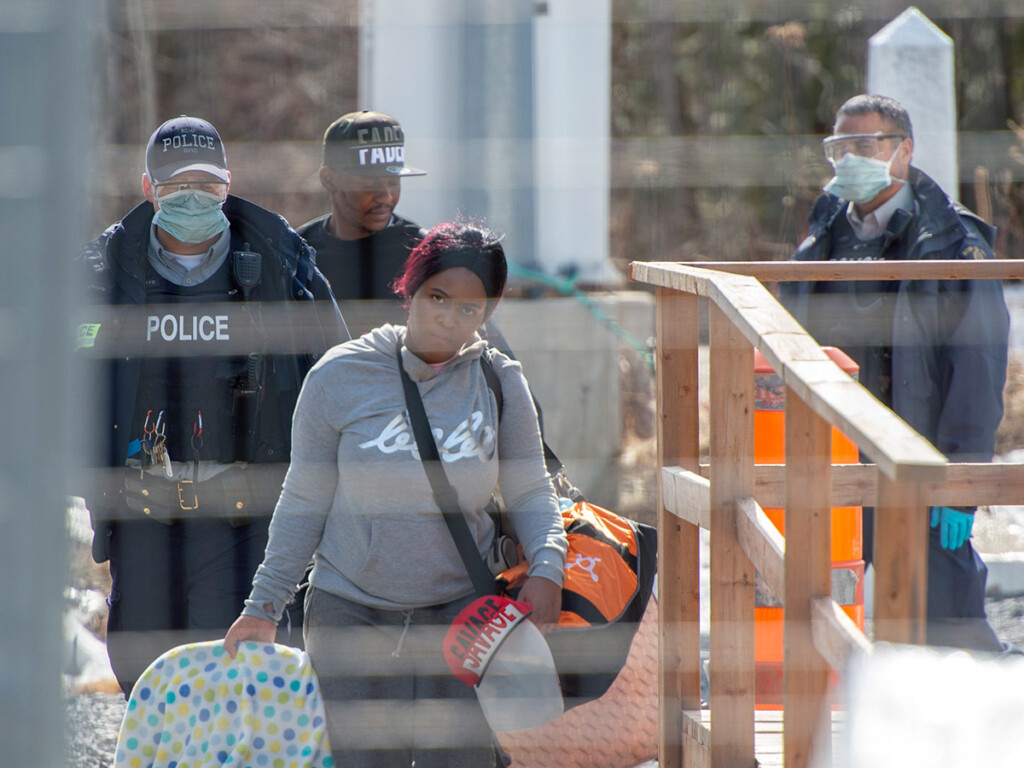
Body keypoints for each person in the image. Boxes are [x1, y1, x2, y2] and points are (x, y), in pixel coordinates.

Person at [224, 219, 568, 767]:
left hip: (462, 622)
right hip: (350, 617)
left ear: (488, 314)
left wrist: (549, 564)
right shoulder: (340, 375)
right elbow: (302, 500)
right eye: (437, 297)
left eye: (469, 309)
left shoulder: (500, 382)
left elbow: (530, 488)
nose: (448, 317)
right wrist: (264, 604)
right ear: (410, 290)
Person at [75, 115, 349, 695]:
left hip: (247, 517)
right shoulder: (101, 274)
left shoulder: (281, 265)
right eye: (176, 187)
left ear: (229, 184)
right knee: (148, 681)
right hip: (142, 517)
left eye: (207, 185)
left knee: (243, 681)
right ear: (148, 189)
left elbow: (340, 377)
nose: (193, 198)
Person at [780, 94, 1011, 652]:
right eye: (840, 146)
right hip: (835, 462)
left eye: (867, 145)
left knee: (949, 624)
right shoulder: (823, 236)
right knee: (830, 618)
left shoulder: (952, 242)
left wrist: (961, 483)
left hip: (920, 463)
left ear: (904, 151)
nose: (850, 158)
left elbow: (977, 369)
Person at [297, 110, 427, 313]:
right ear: (329, 180)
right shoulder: (299, 252)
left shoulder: (423, 252)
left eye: (393, 182)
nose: (385, 197)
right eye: (369, 183)